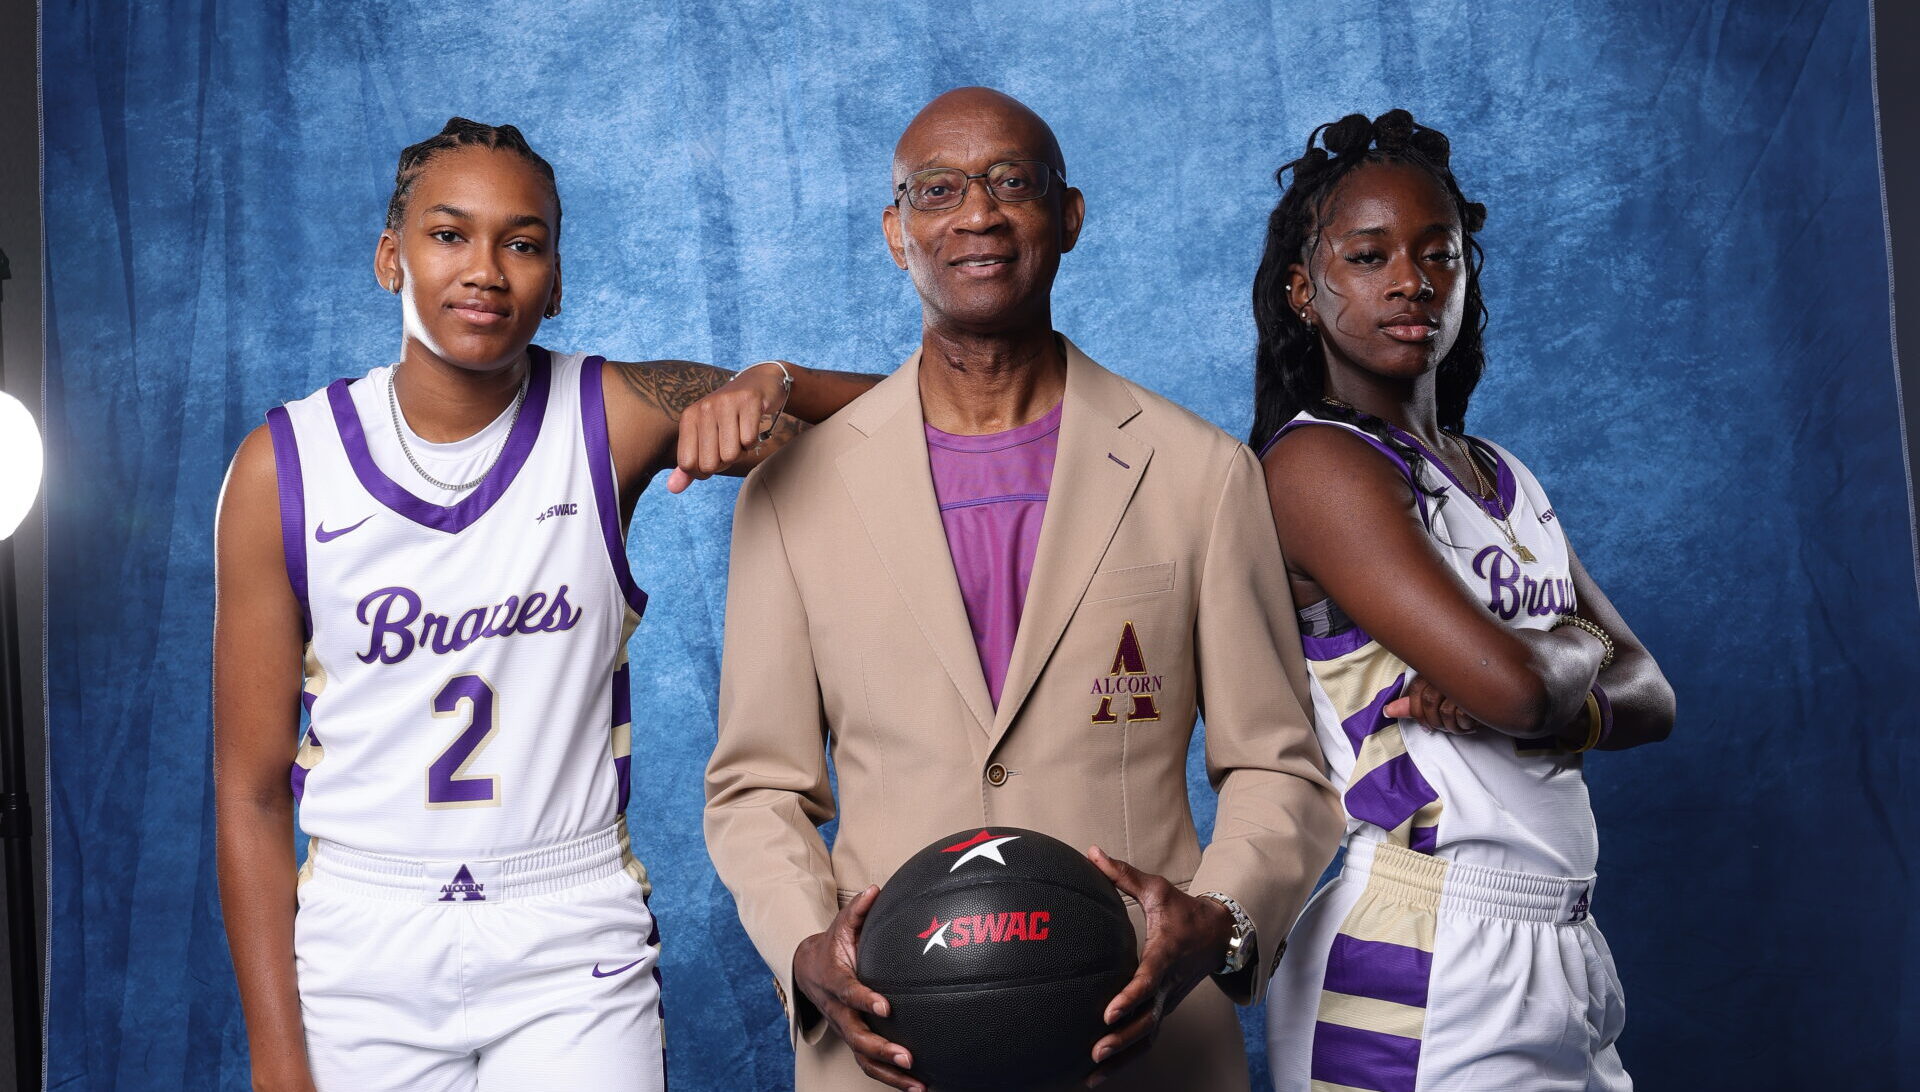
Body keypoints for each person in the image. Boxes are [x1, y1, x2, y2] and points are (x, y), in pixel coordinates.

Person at [212, 118, 878, 1092]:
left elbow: (924, 422)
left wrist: (776, 380)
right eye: (449, 235)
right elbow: (250, 794)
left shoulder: (613, 414)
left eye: (521, 244)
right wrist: (277, 1060)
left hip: (569, 932)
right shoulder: (285, 466)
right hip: (363, 935)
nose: (485, 269)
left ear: (557, 281)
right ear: (391, 258)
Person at [702, 87, 1343, 1092]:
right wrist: (803, 945)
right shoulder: (793, 494)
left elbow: (1279, 766)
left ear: (1069, 215)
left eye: (1012, 182)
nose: (978, 213)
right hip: (888, 1044)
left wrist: (1216, 918)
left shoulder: (1201, 473)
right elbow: (758, 789)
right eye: (937, 190)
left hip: (1140, 1045)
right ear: (896, 232)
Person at [1251, 110, 1677, 1091]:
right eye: (1368, 257)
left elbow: (1653, 695)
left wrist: (1550, 671)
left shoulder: (1502, 473)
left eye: (1437, 254)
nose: (1411, 281)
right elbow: (1523, 691)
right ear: (1304, 290)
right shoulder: (1320, 464)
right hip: (1420, 944)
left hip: (1561, 935)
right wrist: (1566, 657)